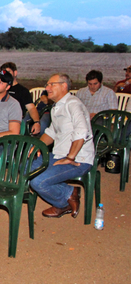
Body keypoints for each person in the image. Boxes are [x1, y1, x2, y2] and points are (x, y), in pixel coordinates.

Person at [30, 73, 94, 219]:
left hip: (79, 159)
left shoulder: (73, 104)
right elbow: (51, 133)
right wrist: (38, 145)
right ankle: (68, 193)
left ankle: (62, 201)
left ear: (64, 86)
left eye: (52, 84)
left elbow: (82, 130)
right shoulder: (56, 107)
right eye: (47, 85)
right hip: (59, 155)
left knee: (38, 182)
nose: (47, 88)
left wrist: (70, 157)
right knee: (26, 167)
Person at [0, 62, 41, 135]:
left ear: (15, 73)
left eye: (8, 72)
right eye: (4, 73)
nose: (6, 75)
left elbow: (31, 108)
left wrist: (36, 122)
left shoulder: (23, 91)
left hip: (14, 123)